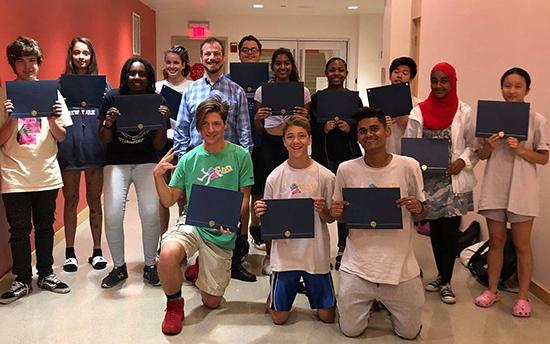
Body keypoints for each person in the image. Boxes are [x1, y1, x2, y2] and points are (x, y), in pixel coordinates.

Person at [155, 97, 254, 335]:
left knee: (211, 301)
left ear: (224, 125)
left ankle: (200, 265)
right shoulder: (189, 159)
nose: (211, 130)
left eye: (216, 123)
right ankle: (174, 305)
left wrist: (236, 227)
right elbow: (169, 200)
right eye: (205, 124)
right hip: (192, 222)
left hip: (222, 230)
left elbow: (244, 200)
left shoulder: (241, 156)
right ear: (198, 126)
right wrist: (158, 176)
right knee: (167, 254)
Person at [330, 107, 425, 339]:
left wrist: (418, 208)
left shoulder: (409, 166)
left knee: (409, 333)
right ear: (357, 136)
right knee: (351, 331)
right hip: (358, 266)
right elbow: (341, 216)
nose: (369, 135)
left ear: (387, 130)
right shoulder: (346, 169)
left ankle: (389, 306)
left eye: (374, 128)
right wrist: (336, 212)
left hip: (400, 266)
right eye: (362, 131)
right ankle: (369, 303)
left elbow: (422, 212)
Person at [173, 37, 254, 282]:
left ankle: (235, 259)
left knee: (234, 212)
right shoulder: (191, 90)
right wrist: (181, 160)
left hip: (229, 165)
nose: (212, 58)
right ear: (201, 57)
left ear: (223, 57)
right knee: (196, 214)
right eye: (207, 54)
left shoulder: (235, 90)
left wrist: (243, 163)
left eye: (217, 54)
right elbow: (182, 128)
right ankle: (198, 260)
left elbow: (244, 129)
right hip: (198, 164)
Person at [0, 36, 72, 304]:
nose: (27, 66)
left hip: (46, 173)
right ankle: (21, 279)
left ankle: (45, 274)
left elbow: (62, 136)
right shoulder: (3, 95)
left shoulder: (51, 93)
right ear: (13, 65)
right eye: (21, 61)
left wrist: (53, 120)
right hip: (14, 174)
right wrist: (10, 119)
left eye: (32, 60)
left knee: (45, 227)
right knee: (18, 230)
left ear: (38, 62)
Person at [474, 68, 549, 317]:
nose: (512, 91)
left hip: (523, 190)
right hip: (495, 187)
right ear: (501, 88)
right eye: (507, 85)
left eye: (518, 86)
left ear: (527, 90)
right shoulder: (490, 117)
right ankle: (492, 290)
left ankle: (523, 297)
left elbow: (543, 158)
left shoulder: (536, 119)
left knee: (522, 245)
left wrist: (521, 151)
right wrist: (489, 146)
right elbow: (481, 155)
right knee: (495, 242)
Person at [404, 62, 478, 304]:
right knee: (435, 231)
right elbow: (410, 145)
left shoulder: (464, 111)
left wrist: (463, 160)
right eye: (434, 80)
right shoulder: (419, 111)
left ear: (453, 82)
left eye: (444, 80)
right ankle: (440, 274)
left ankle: (446, 280)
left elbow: (473, 144)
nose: (439, 85)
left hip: (454, 180)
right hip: (429, 182)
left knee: (450, 231)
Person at [254, 115, 336, 325]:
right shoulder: (275, 176)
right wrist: (261, 211)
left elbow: (330, 219)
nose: (296, 141)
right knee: (279, 319)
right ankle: (276, 291)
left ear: (309, 139)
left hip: (315, 254)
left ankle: (311, 289)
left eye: (301, 136)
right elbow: (270, 223)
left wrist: (322, 210)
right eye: (290, 137)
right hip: (286, 255)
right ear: (283, 141)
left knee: (327, 317)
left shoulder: (325, 176)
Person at [98, 56, 169, 288]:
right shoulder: (112, 97)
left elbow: (159, 145)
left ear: (148, 77)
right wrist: (108, 123)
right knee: (113, 214)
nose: (136, 77)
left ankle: (150, 265)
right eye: (132, 73)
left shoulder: (156, 100)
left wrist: (162, 121)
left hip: (146, 161)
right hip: (116, 162)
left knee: (150, 213)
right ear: (125, 76)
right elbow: (103, 138)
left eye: (141, 74)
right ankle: (119, 267)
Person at [254, 47, 311, 275]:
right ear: (273, 66)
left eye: (287, 63)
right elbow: (258, 128)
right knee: (272, 199)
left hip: (295, 147)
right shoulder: (261, 91)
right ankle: (270, 254)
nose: (282, 67)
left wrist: (303, 115)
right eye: (278, 63)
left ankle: (297, 252)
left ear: (292, 65)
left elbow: (305, 126)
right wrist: (259, 118)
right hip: (270, 145)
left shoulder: (304, 92)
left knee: (296, 196)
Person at [58, 37, 107, 272]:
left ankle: (97, 251)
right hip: (70, 148)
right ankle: (70, 252)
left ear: (91, 56)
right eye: (77, 53)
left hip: (95, 149)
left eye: (85, 53)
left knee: (95, 199)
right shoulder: (60, 85)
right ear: (71, 55)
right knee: (71, 199)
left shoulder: (101, 86)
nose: (81, 57)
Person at [309, 57, 362, 270]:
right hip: (324, 157)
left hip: (349, 156)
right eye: (332, 70)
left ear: (347, 73)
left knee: (345, 203)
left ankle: (343, 247)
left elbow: (363, 127)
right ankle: (318, 249)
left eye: (341, 70)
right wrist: (323, 129)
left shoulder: (354, 100)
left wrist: (352, 130)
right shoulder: (317, 99)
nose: (337, 73)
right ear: (326, 73)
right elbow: (309, 126)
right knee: (322, 202)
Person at [155, 45, 193, 235]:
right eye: (169, 62)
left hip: (183, 145)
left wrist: (173, 115)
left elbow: (193, 121)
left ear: (183, 64)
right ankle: (162, 239)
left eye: (176, 63)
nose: (172, 66)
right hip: (162, 145)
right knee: (162, 196)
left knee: (182, 195)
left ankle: (181, 235)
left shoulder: (192, 87)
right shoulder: (156, 87)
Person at [234, 35, 267, 251]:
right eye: (245, 50)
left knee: (258, 188)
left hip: (262, 141)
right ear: (239, 53)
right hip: (235, 142)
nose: (249, 53)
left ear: (260, 53)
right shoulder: (229, 78)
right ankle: (236, 233)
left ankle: (256, 227)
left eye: (253, 50)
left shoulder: (269, 82)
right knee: (236, 189)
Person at [386, 56, 419, 154]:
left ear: (411, 78)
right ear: (390, 76)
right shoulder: (378, 102)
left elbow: (420, 134)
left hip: (408, 154)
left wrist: (407, 121)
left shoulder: (418, 105)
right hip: (385, 153)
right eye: (396, 72)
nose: (399, 75)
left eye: (405, 73)